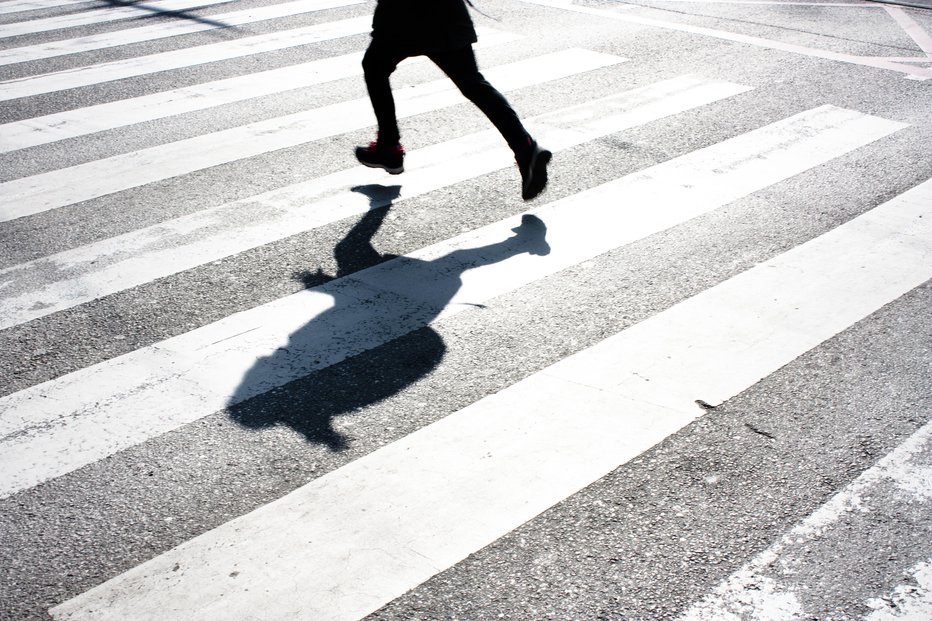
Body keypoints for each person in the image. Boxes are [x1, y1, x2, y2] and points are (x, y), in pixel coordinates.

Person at [355, 0, 551, 201]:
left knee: (375, 67)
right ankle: (525, 148)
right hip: (447, 12)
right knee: (472, 83)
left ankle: (388, 146)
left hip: (405, 14)